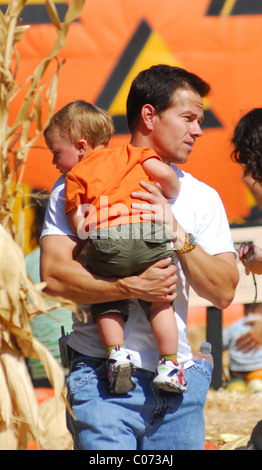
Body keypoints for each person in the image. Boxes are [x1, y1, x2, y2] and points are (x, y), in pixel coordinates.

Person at [40, 65, 238, 450]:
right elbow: (52, 275)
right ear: (149, 115)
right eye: (188, 118)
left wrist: (177, 233)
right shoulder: (77, 180)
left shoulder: (202, 196)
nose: (198, 130)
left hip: (178, 387)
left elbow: (224, 291)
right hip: (100, 381)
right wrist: (126, 285)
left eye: (199, 120)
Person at [44, 101, 186, 395]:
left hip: (108, 238)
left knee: (103, 299)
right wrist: (168, 194)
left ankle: (116, 354)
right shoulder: (132, 152)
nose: (54, 162)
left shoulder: (73, 176)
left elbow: (79, 223)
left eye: (56, 152)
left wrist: (89, 236)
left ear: (81, 146)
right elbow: (169, 177)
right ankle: (170, 366)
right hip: (148, 232)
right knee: (160, 301)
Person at [223, 302, 262, 391]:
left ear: (244, 309)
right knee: (257, 384)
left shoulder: (235, 326)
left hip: (237, 371)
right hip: (258, 369)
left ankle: (237, 386)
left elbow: (220, 342)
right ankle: (257, 387)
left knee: (236, 385)